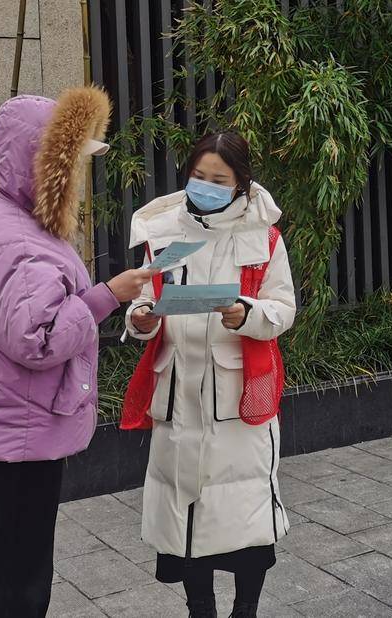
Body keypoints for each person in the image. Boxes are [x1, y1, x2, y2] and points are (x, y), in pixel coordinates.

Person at [0, 87, 156, 618]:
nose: (78, 173)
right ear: (42, 162)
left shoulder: (7, 218)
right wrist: (109, 295)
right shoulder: (20, 241)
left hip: (6, 420)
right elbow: (35, 340)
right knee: (19, 577)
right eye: (72, 160)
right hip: (21, 426)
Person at [121, 132, 297, 618]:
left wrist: (247, 313)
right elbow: (145, 294)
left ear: (241, 183)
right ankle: (200, 609)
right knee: (187, 521)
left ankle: (245, 610)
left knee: (245, 519)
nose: (206, 186)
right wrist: (140, 319)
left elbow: (283, 308)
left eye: (219, 180)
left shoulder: (263, 237)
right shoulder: (167, 231)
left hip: (237, 399)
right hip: (178, 394)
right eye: (198, 176)